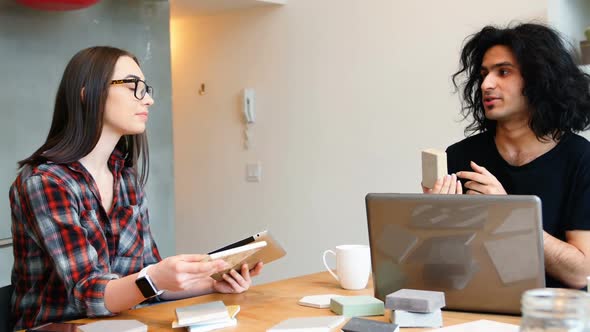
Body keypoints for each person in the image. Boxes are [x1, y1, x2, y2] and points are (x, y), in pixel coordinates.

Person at [9, 46, 263, 329]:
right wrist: (154, 277)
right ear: (87, 93)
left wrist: (213, 283)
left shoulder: (125, 178)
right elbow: (89, 294)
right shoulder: (46, 183)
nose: (150, 100)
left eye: (146, 88)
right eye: (134, 87)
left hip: (128, 324)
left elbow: (149, 284)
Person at [423, 23, 590, 289]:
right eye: (484, 74)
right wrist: (434, 221)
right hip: (472, 309)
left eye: (503, 72)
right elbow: (440, 271)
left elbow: (580, 273)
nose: (486, 84)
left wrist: (508, 213)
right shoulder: (460, 156)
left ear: (539, 78)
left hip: (550, 317)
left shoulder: (581, 158)